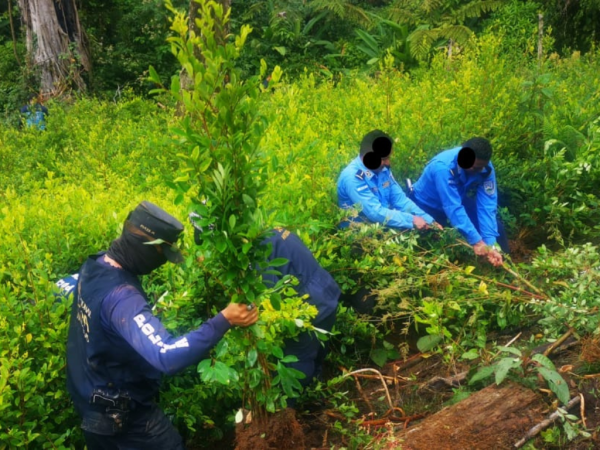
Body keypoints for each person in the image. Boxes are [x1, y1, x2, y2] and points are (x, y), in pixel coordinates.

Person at [61, 201, 258, 449]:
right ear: (143, 247)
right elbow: (166, 355)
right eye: (161, 255)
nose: (163, 263)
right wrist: (224, 320)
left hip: (91, 405)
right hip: (124, 420)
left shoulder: (95, 264)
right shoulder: (122, 299)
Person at [409, 137, 509, 267]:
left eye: (480, 168)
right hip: (426, 204)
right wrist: (477, 242)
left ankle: (502, 265)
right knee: (437, 246)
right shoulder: (442, 168)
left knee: (497, 230)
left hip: (457, 197)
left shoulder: (485, 168)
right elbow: (453, 207)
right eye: (474, 168)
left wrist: (491, 245)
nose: (477, 172)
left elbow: (487, 205)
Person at [261, 228, 340, 392]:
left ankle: (290, 411)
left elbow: (270, 299)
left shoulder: (258, 252)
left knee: (295, 366)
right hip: (327, 292)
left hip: (311, 306)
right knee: (317, 354)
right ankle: (316, 395)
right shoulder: (275, 231)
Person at [337, 129, 441, 231]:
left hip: (383, 229)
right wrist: (412, 220)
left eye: (388, 157)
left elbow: (401, 201)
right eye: (383, 159)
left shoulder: (382, 170)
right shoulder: (352, 177)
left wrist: (429, 221)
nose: (388, 163)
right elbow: (375, 212)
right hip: (360, 239)